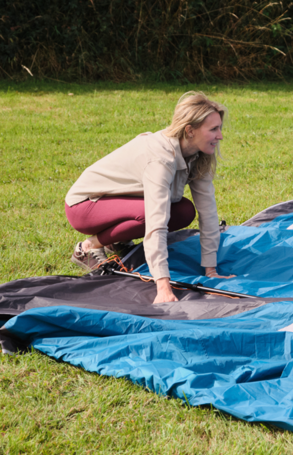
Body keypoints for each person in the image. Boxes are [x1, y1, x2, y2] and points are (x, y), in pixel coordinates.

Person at [64, 91, 231, 303]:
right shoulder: (161, 159)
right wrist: (163, 287)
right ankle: (89, 246)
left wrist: (211, 269)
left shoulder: (199, 155)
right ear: (190, 130)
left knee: (183, 210)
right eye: (213, 129)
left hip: (119, 202)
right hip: (85, 206)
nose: (220, 136)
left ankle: (116, 241)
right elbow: (156, 222)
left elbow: (208, 211)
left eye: (220, 128)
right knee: (152, 214)